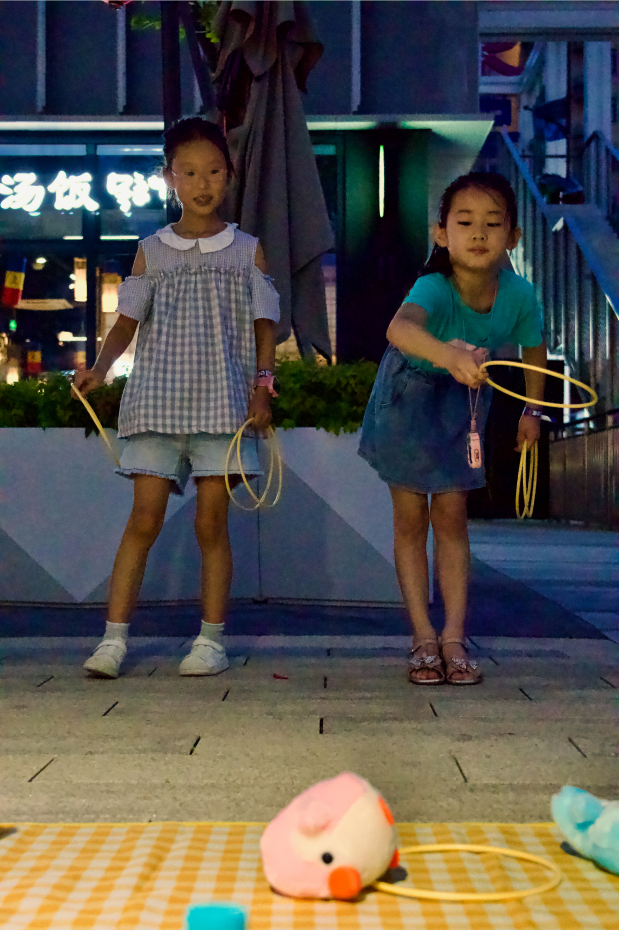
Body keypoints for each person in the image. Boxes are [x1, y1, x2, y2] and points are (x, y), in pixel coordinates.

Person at [75, 117, 280, 679]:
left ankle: (210, 641)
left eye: (212, 171)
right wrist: (100, 368)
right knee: (142, 521)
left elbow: (264, 326)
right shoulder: (151, 251)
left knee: (211, 525)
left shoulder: (247, 251)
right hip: (156, 403)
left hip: (223, 406)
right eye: (189, 172)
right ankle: (113, 639)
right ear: (169, 178)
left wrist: (264, 387)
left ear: (228, 175)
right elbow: (126, 322)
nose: (202, 183)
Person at [358, 172, 546, 685]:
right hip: (408, 395)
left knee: (452, 514)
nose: (479, 233)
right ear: (441, 233)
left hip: (464, 403)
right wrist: (448, 355)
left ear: (513, 236)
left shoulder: (520, 295)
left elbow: (534, 350)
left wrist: (532, 410)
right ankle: (422, 636)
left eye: (493, 223)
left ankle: (454, 636)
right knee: (409, 519)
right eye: (464, 222)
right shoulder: (434, 286)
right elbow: (399, 328)